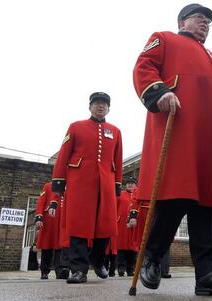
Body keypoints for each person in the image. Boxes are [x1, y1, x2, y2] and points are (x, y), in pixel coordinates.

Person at [132, 3, 212, 296]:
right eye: (200, 19)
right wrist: (159, 92)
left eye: (209, 22)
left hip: (209, 141)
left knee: (205, 205)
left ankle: (208, 276)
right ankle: (152, 256)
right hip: (180, 130)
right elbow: (143, 67)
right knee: (175, 198)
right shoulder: (165, 38)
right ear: (183, 21)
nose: (205, 24)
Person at [52, 92, 123, 284]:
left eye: (104, 104)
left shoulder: (115, 131)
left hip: (106, 183)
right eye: (97, 103)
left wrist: (117, 184)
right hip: (79, 183)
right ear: (90, 106)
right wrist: (59, 181)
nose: (101, 106)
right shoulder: (76, 127)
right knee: (78, 225)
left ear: (109, 108)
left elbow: (117, 159)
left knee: (105, 225)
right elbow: (64, 154)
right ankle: (79, 270)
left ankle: (98, 261)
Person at [34, 182, 62, 279]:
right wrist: (39, 217)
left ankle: (60, 271)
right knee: (47, 246)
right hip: (50, 219)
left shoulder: (70, 184)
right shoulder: (48, 186)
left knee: (61, 247)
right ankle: (44, 271)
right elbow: (41, 201)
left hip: (63, 220)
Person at [116, 177, 138, 277]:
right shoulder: (120, 194)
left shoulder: (138, 195)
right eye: (128, 183)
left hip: (134, 225)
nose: (129, 185)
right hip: (122, 225)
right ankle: (121, 268)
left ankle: (131, 269)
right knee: (122, 247)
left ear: (136, 185)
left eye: (132, 183)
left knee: (133, 248)